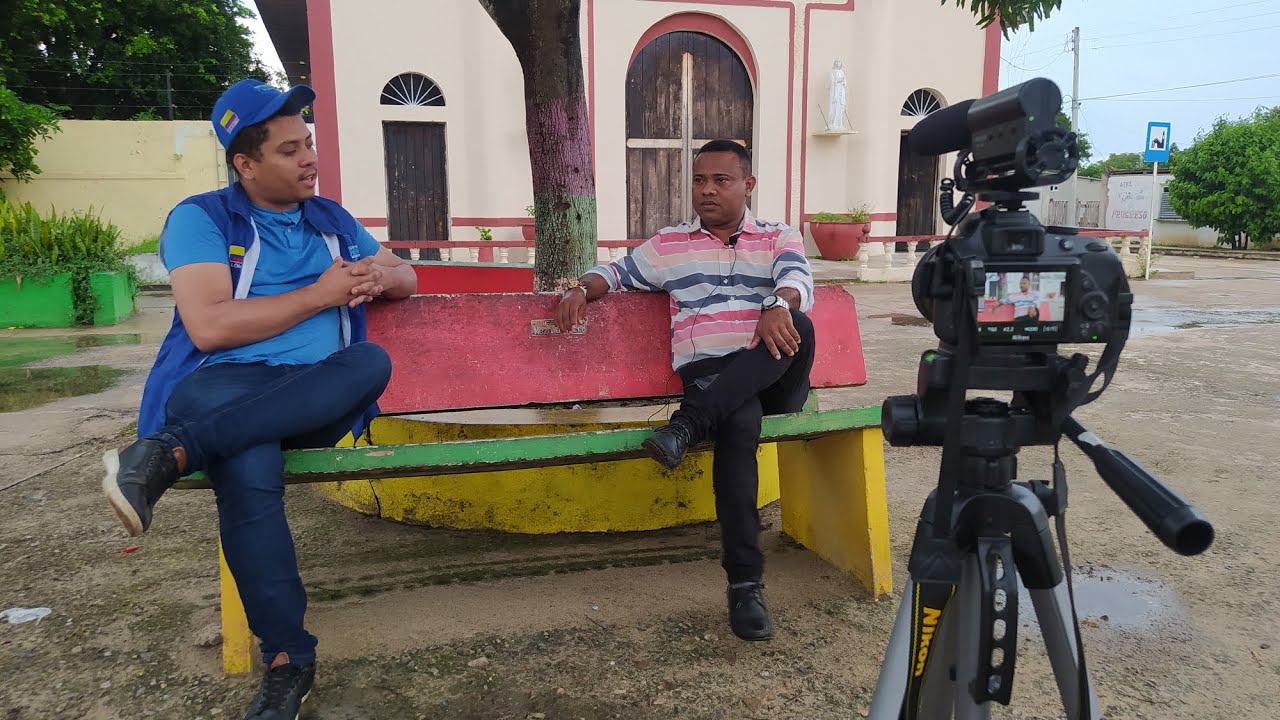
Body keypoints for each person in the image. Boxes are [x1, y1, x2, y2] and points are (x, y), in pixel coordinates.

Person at [101, 79, 417, 720]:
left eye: (309, 143)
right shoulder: (202, 219)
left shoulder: (330, 218)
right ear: (245, 164)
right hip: (224, 385)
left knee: (369, 361)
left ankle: (169, 452)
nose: (309, 158)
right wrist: (321, 295)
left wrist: (375, 276)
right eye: (289, 149)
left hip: (312, 396)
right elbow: (210, 326)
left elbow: (406, 275)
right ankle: (287, 661)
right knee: (248, 463)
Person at [555, 139, 816, 642]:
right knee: (739, 423)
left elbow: (795, 278)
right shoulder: (671, 244)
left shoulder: (776, 235)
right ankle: (745, 586)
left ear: (748, 185)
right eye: (700, 180)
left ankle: (689, 424)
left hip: (776, 367)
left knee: (798, 323)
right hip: (712, 377)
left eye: (721, 180)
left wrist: (778, 304)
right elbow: (616, 271)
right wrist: (579, 288)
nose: (707, 191)